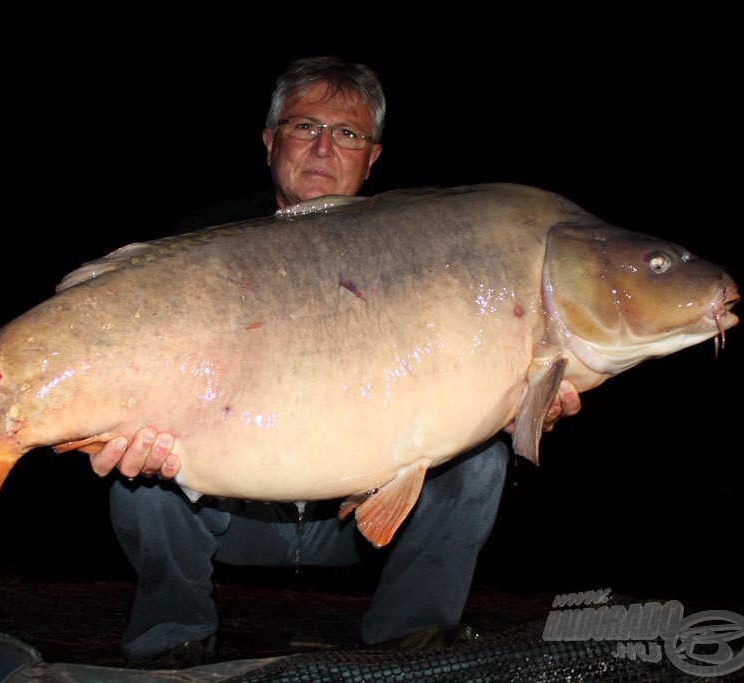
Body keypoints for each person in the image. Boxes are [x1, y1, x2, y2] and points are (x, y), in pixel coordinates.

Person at [89, 56, 581, 669]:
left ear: (372, 156)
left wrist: (524, 407)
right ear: (270, 141)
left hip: (351, 523)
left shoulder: (421, 246)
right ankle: (172, 641)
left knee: (479, 463)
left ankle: (411, 642)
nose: (324, 147)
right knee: (140, 481)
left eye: (347, 134)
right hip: (233, 508)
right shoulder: (206, 241)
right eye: (304, 127)